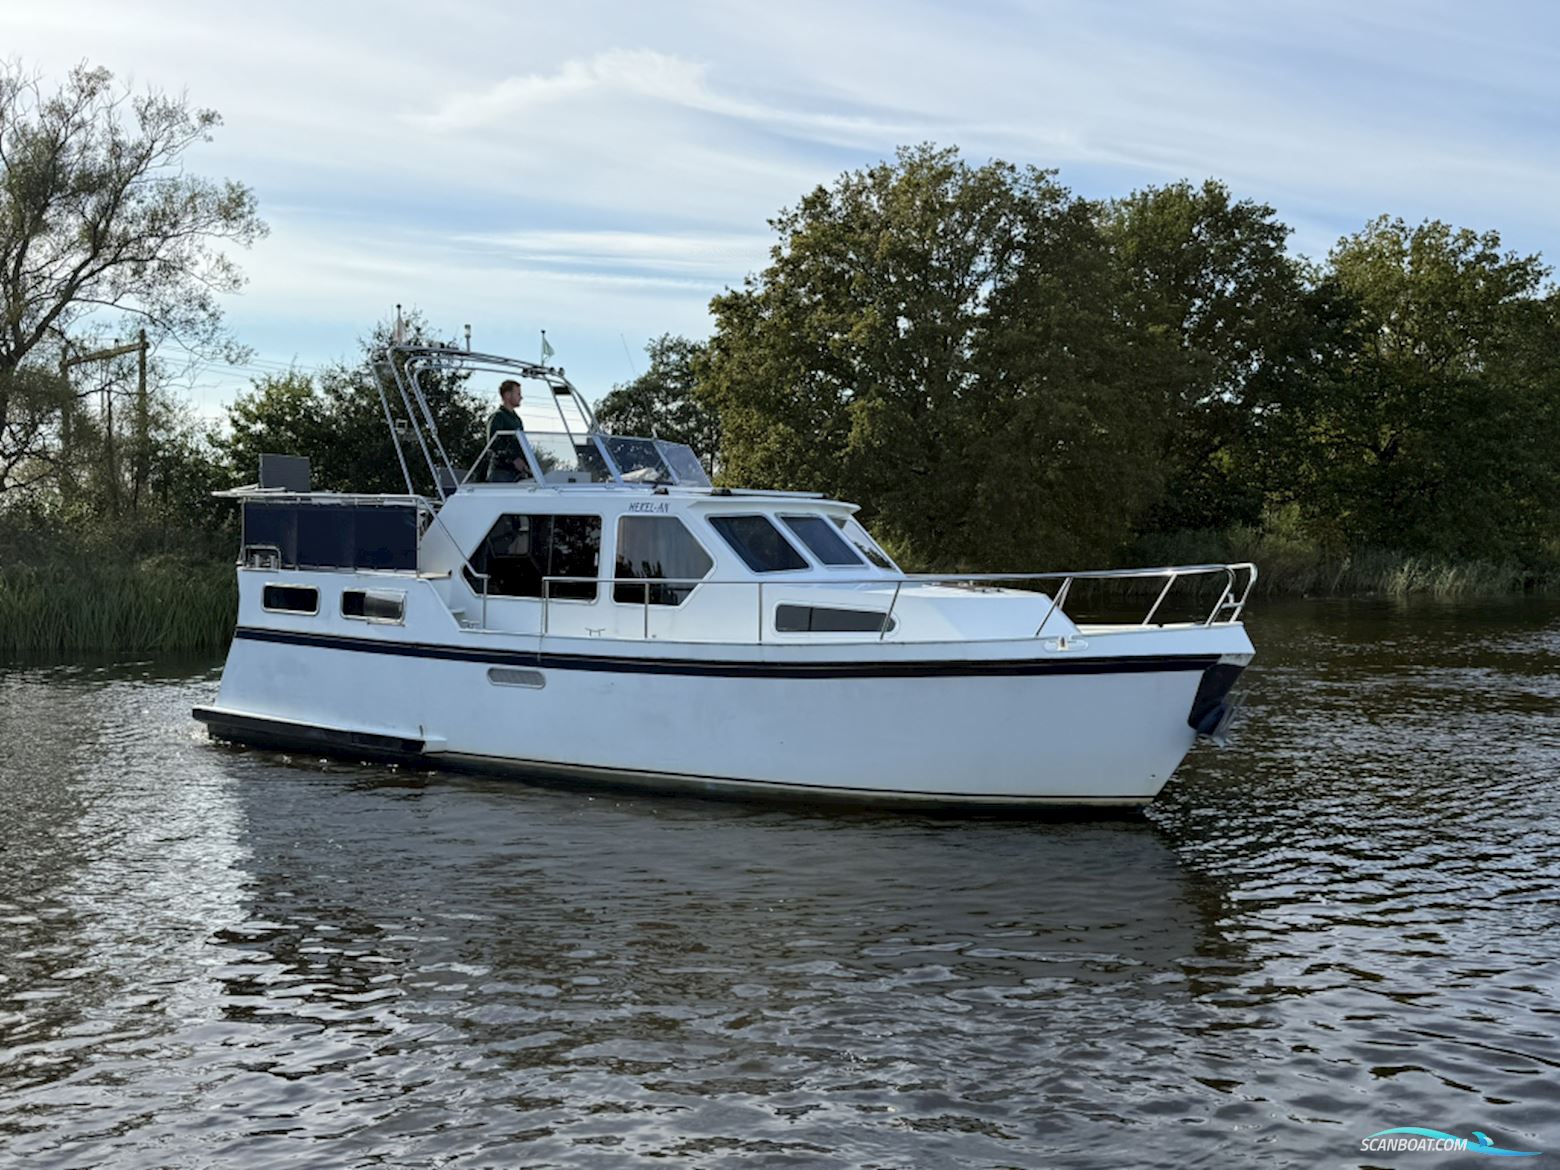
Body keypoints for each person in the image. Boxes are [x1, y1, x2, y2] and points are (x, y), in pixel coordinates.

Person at [487, 379, 528, 481]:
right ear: (507, 395)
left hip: (516, 472)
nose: (521, 397)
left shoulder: (517, 419)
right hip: (501, 472)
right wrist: (513, 459)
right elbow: (493, 442)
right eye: (518, 394)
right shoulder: (498, 416)